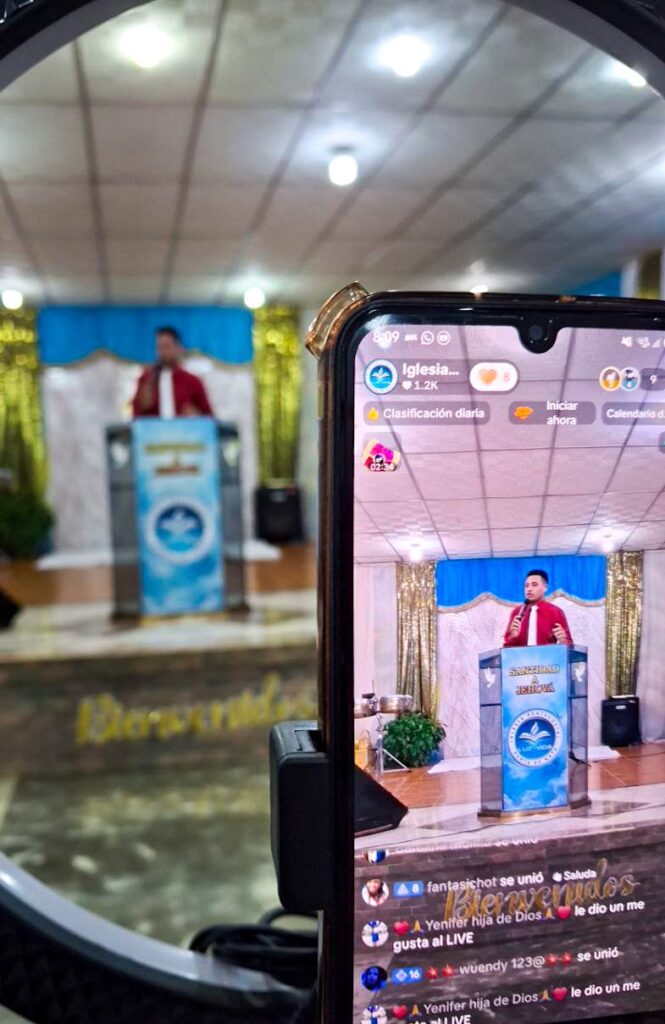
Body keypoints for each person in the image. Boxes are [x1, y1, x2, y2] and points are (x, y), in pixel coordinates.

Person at [131, 326, 213, 418]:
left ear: (178, 348)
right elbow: (135, 416)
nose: (163, 352)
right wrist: (142, 405)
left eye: (167, 347)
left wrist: (196, 415)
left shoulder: (192, 382)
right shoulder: (146, 380)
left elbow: (209, 417)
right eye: (159, 347)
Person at [503, 569, 573, 647]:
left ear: (545, 587)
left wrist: (562, 641)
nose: (529, 589)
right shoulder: (516, 613)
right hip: (521, 655)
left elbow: (570, 646)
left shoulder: (556, 612)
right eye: (526, 586)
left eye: (534, 585)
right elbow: (506, 647)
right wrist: (513, 637)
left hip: (547, 655)